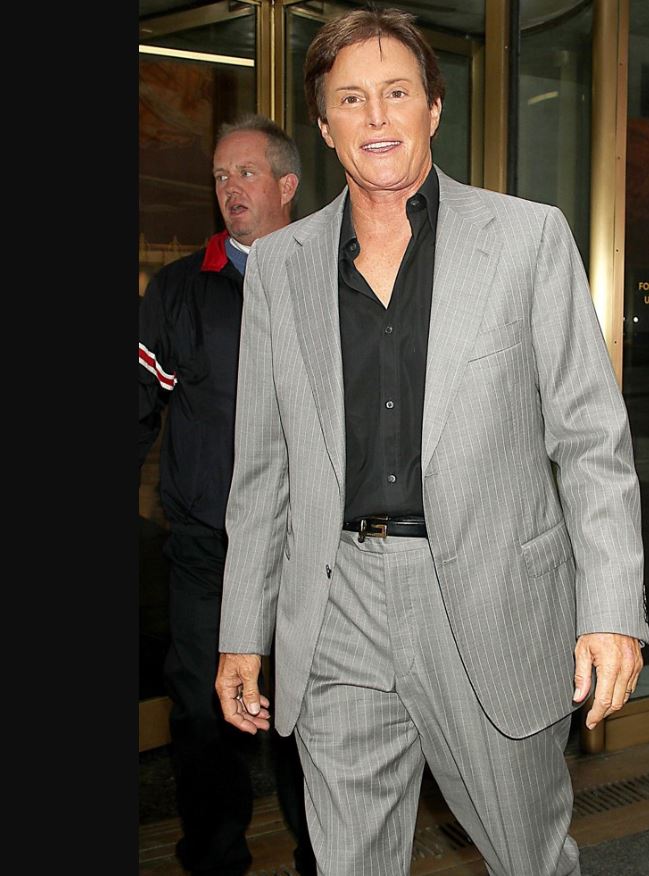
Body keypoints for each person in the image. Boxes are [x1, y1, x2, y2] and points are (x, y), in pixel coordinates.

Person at [215, 8, 649, 876]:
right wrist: (242, 631)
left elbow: (591, 442)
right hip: (336, 608)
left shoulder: (526, 239)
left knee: (528, 858)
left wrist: (610, 610)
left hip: (489, 602)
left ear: (435, 108)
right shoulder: (281, 267)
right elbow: (264, 470)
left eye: (397, 92)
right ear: (325, 125)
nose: (376, 116)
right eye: (351, 98)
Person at [138, 113, 317, 876]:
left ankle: (327, 858)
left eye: (245, 172)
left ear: (287, 184)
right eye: (219, 176)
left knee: (311, 714)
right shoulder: (181, 290)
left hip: (311, 551)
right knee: (204, 713)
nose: (228, 188)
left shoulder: (333, 281)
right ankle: (214, 859)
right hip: (207, 552)